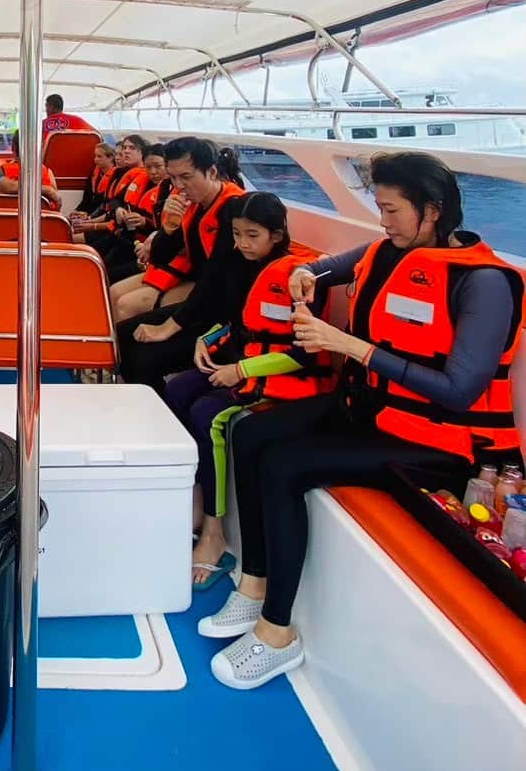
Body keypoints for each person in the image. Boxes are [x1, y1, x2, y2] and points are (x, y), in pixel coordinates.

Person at [200, 152, 524, 691]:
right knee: (248, 430)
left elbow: (460, 389)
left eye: (392, 209)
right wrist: (305, 274)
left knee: (283, 465)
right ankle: (252, 583)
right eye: (378, 205)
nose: (382, 219)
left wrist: (349, 345)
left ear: (433, 210)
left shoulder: (485, 284)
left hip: (440, 443)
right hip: (373, 410)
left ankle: (277, 632)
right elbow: (329, 267)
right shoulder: (386, 249)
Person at [160, 193, 333, 588]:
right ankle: (196, 503)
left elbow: (304, 355)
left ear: (277, 234)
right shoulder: (248, 268)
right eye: (236, 235)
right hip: (247, 365)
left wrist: (240, 369)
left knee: (209, 414)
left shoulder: (299, 278)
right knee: (179, 390)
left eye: (252, 235)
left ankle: (214, 534)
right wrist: (209, 338)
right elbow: (242, 327)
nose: (242, 244)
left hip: (286, 379)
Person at [111, 137, 244, 326]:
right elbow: (159, 257)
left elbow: (217, 271)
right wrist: (168, 228)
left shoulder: (234, 208)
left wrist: (171, 325)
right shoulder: (191, 203)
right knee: (114, 292)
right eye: (173, 177)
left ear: (212, 172)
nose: (178, 185)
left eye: (186, 177)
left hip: (219, 291)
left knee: (127, 315)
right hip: (192, 276)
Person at [100, 144, 171, 280]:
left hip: (146, 249)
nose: (153, 172)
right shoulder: (143, 182)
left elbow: (162, 229)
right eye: (149, 167)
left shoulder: (171, 192)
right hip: (127, 239)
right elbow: (115, 200)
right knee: (99, 268)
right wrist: (118, 209)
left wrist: (145, 222)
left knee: (105, 276)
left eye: (158, 166)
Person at [2, 132, 62, 208]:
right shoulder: (47, 173)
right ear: (40, 148)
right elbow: (58, 204)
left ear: (13, 147)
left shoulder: (2, 172)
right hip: (45, 219)